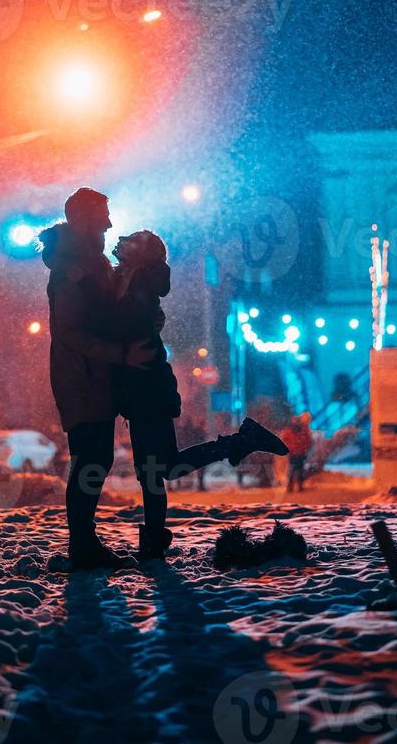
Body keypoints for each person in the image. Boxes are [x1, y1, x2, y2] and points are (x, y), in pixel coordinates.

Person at [108, 230, 290, 561]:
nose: (121, 246)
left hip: (146, 389)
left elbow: (125, 328)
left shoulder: (139, 283)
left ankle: (239, 442)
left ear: (143, 255)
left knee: (161, 468)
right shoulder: (136, 280)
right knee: (153, 471)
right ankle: (153, 543)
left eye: (131, 243)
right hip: (141, 388)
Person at [40, 188, 155, 571]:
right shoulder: (72, 267)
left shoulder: (90, 261)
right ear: (82, 220)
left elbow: (106, 315)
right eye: (101, 216)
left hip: (94, 376)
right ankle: (83, 546)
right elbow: (70, 332)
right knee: (91, 459)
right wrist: (121, 354)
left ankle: (85, 543)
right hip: (82, 378)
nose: (108, 223)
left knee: (95, 458)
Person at [281, 412, 313, 493]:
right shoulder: (302, 430)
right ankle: (296, 487)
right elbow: (308, 440)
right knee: (298, 470)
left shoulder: (290, 430)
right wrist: (304, 448)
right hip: (298, 452)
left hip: (295, 452)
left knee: (294, 470)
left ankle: (292, 487)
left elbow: (284, 440)